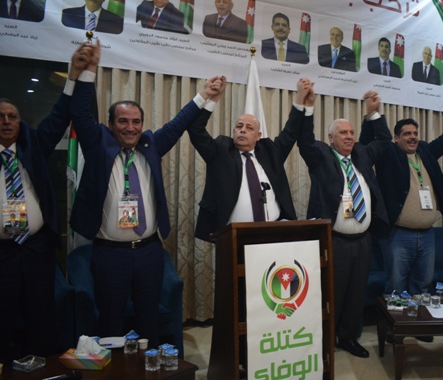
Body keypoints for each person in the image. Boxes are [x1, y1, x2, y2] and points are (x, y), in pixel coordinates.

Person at [68, 40, 225, 348]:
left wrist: (204, 95)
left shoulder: (150, 146)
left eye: (136, 122)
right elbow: (81, 114)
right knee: (111, 322)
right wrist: (87, 72)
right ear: (111, 125)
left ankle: (148, 367)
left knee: (148, 320)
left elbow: (178, 124)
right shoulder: (99, 146)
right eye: (123, 121)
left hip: (149, 251)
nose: (130, 127)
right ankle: (116, 369)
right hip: (110, 254)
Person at [0, 43, 93, 363]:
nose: (6, 121)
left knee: (41, 317)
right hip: (2, 253)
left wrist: (73, 76)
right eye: (0, 117)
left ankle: (44, 370)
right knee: (4, 320)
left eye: (12, 116)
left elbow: (58, 117)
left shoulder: (33, 147)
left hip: (35, 248)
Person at [298, 88, 391, 359]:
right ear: (331, 138)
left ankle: (348, 337)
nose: (349, 136)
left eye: (351, 132)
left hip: (363, 239)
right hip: (335, 240)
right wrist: (308, 109)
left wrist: (373, 114)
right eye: (343, 133)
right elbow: (304, 141)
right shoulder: (321, 155)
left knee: (356, 293)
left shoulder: (361, 154)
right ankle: (325, 340)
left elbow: (385, 141)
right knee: (332, 292)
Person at [360, 92, 443, 301]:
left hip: (427, 235)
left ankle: (418, 319)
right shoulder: (388, 154)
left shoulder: (425, 152)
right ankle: (394, 322)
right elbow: (365, 144)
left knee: (422, 286)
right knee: (395, 287)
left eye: (415, 133)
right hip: (398, 235)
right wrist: (372, 114)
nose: (412, 137)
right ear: (396, 138)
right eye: (407, 134)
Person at [187, 78, 310, 241]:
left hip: (274, 233)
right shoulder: (220, 151)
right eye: (239, 126)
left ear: (258, 136)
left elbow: (290, 132)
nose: (242, 130)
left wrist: (300, 99)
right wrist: (214, 98)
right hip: (233, 236)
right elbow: (195, 130)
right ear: (233, 132)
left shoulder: (270, 152)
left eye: (249, 128)